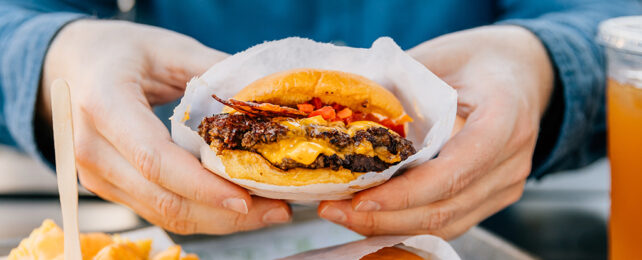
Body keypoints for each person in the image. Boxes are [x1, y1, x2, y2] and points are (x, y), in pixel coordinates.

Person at [0, 0, 640, 238]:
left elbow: (610, 18)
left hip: (463, 235)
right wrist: (59, 54)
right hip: (179, 234)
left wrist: (545, 64)